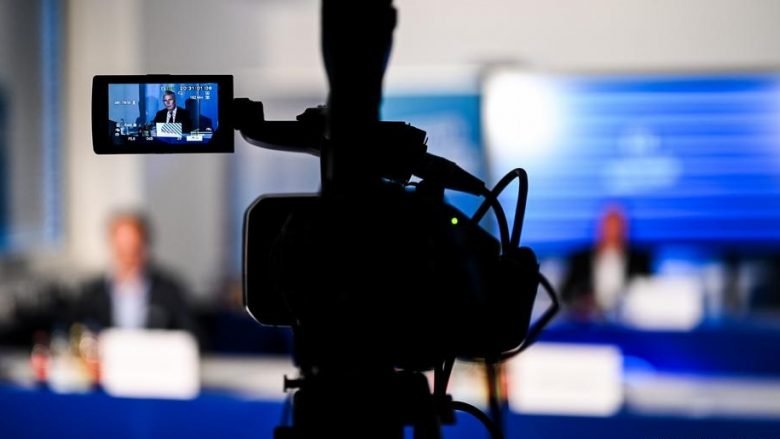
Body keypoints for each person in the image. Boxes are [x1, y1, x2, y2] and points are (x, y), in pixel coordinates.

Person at [71, 210, 198, 335]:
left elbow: (189, 333)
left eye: (134, 250)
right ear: (112, 247)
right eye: (122, 251)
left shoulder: (169, 291)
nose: (128, 259)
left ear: (145, 247)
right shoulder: (92, 294)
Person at [560, 203, 653, 320]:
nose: (612, 231)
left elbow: (649, 294)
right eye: (609, 226)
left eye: (617, 226)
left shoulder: (640, 259)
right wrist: (582, 302)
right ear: (599, 228)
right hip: (587, 325)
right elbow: (565, 294)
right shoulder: (579, 260)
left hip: (628, 323)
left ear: (625, 229)